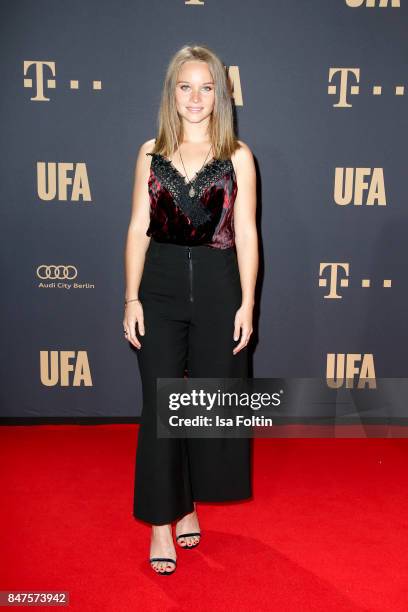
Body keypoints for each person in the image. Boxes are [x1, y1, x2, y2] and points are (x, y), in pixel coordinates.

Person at [123, 44, 258, 576]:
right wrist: (130, 296)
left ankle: (188, 505)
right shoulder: (149, 152)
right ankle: (161, 522)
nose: (196, 97)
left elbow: (246, 232)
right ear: (171, 94)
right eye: (186, 86)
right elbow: (138, 227)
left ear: (221, 95)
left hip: (219, 282)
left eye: (207, 87)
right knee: (160, 407)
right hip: (156, 285)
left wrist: (248, 301)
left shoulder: (238, 155)